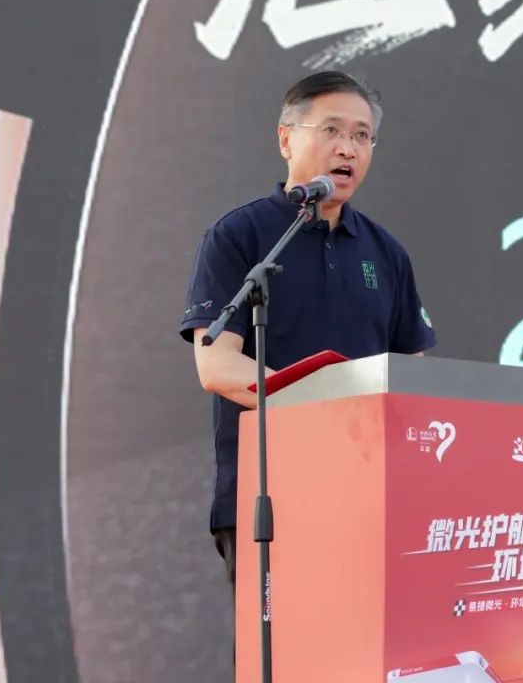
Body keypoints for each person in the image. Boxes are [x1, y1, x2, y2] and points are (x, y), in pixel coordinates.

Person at [178, 70, 437, 624]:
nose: (348, 148)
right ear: (286, 139)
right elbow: (217, 365)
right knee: (281, 653)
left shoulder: (386, 253)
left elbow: (409, 377)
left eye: (363, 136)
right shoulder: (241, 236)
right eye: (332, 130)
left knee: (364, 648)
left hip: (366, 493)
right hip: (268, 493)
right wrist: (321, 410)